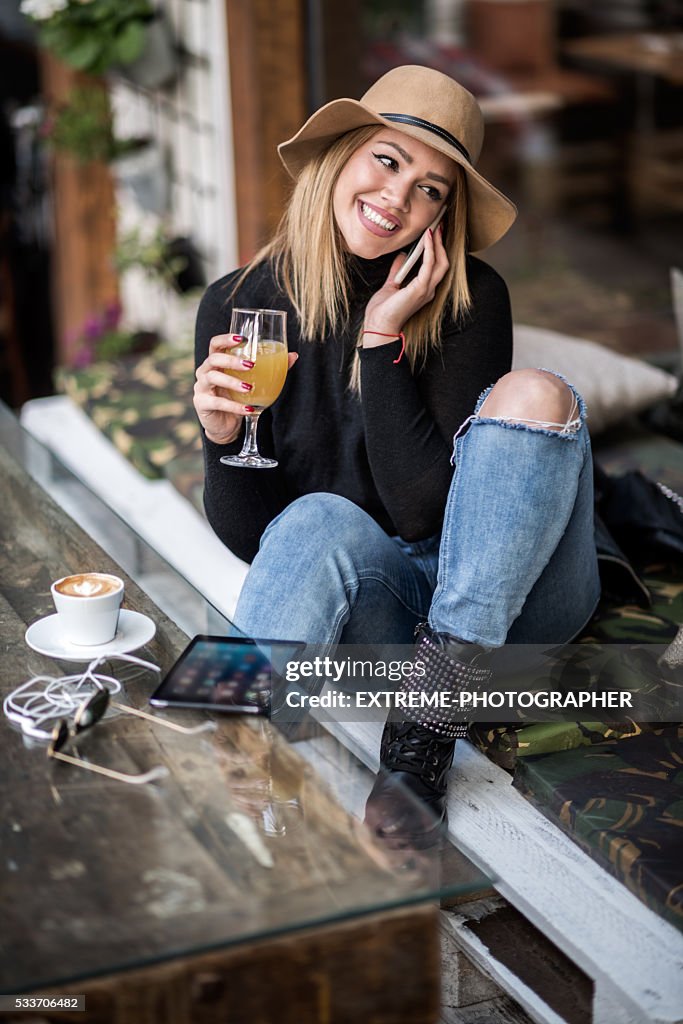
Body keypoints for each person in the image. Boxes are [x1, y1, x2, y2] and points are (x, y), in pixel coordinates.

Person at [193, 65, 601, 846]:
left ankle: (421, 734)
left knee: (536, 394)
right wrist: (221, 442)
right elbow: (261, 542)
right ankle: (235, 771)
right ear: (341, 155)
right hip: (383, 607)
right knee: (314, 517)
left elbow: (428, 516)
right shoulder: (242, 302)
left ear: (443, 214)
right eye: (387, 160)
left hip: (514, 605)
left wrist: (383, 339)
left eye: (431, 189)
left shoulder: (469, 300)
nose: (399, 198)